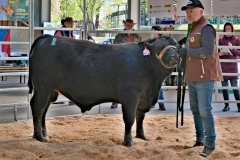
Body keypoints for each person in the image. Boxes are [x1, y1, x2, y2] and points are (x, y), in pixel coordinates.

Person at [178, 0, 223, 157]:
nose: (188, 13)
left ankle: (210, 143)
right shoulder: (194, 28)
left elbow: (207, 51)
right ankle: (200, 139)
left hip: (204, 76)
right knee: (196, 109)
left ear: (201, 12)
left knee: (204, 110)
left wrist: (187, 53)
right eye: (187, 11)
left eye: (191, 10)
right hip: (193, 75)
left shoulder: (206, 28)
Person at [110, 18, 142, 109]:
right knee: (118, 82)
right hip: (121, 62)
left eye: (131, 25)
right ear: (125, 25)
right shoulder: (119, 36)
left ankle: (134, 101)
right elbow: (113, 48)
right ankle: (115, 101)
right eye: (128, 25)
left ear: (133, 26)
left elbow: (141, 49)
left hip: (134, 62)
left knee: (134, 83)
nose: (129, 27)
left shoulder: (138, 37)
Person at [218, 22, 240, 112]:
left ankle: (239, 105)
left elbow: (239, 53)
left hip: (233, 66)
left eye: (229, 29)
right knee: (224, 87)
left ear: (232, 30)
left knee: (235, 86)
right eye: (226, 29)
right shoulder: (220, 39)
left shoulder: (236, 39)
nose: (227, 31)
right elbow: (216, 52)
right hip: (223, 66)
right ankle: (226, 105)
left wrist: (232, 49)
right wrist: (219, 53)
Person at [151, 25, 166, 111]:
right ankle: (154, 102)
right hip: (153, 65)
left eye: (153, 31)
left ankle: (161, 103)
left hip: (160, 65)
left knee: (160, 85)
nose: (153, 33)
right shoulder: (153, 41)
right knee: (154, 85)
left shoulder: (162, 42)